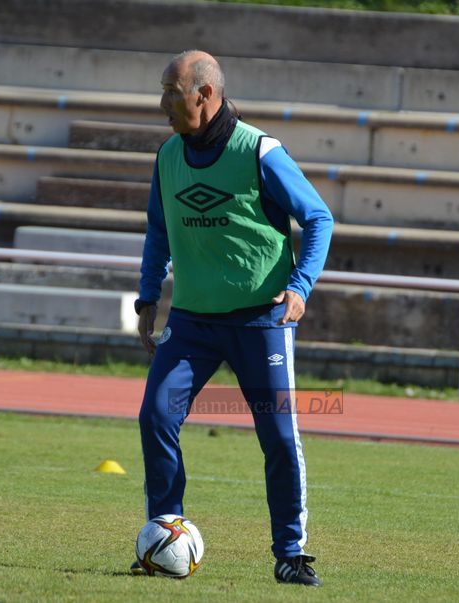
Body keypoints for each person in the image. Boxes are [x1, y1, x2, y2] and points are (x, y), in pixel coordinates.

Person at [132, 50, 333, 586]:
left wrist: (299, 288)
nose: (163, 103)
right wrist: (147, 297)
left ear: (205, 95)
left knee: (280, 439)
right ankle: (163, 534)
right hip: (193, 323)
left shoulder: (260, 151)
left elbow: (318, 217)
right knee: (156, 417)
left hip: (260, 322)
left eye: (172, 92)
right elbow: (158, 230)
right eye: (163, 90)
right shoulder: (168, 155)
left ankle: (291, 553)